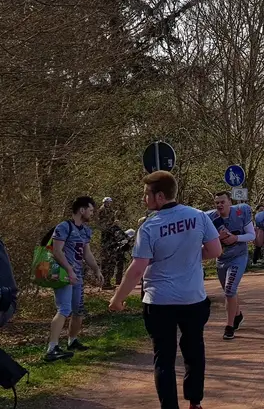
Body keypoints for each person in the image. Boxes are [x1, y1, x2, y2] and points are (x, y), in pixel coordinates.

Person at [109, 171, 221, 409]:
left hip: (159, 302)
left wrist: (117, 299)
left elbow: (137, 269)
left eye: (146, 194)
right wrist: (190, 256)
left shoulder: (149, 227)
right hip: (193, 299)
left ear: (159, 196)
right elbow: (214, 251)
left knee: (164, 358)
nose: (143, 199)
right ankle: (195, 401)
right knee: (194, 351)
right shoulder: (199, 216)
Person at [45, 196, 104, 362]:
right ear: (82, 210)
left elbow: (87, 253)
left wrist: (96, 269)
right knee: (64, 309)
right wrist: (69, 270)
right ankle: (52, 348)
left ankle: (72, 341)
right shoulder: (64, 227)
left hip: (77, 276)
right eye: (91, 210)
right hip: (63, 275)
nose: (92, 213)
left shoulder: (85, 230)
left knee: (78, 310)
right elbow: (57, 251)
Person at [207, 191, 255, 340]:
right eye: (217, 203)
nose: (219, 205)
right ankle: (238, 315)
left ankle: (229, 326)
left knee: (229, 289)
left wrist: (236, 237)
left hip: (238, 256)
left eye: (222, 202)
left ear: (230, 202)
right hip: (221, 259)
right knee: (229, 292)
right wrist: (216, 238)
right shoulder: (210, 217)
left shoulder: (241, 212)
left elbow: (251, 235)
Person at [97, 196, 119, 290]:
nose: (109, 204)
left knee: (110, 261)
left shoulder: (110, 210)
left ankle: (107, 282)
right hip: (106, 237)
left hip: (110, 236)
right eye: (108, 202)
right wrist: (113, 224)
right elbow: (103, 224)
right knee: (107, 260)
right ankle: (105, 283)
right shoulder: (102, 210)